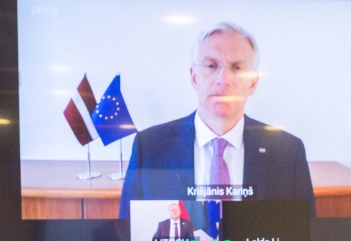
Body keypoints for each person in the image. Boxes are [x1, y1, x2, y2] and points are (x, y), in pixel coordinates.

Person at [118, 23, 315, 220]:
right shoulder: (150, 148)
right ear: (194, 77)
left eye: (237, 68)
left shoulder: (288, 152)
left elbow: (302, 234)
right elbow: (129, 231)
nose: (223, 78)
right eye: (211, 66)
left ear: (253, 83)